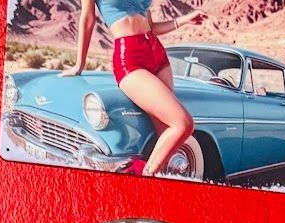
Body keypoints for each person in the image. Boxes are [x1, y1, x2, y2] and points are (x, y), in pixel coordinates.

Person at [72, 0, 194, 178]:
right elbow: (88, 18)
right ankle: (145, 177)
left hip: (157, 53)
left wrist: (186, 19)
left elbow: (151, 27)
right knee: (183, 124)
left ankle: (160, 189)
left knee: (165, 130)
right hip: (130, 58)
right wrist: (79, 64)